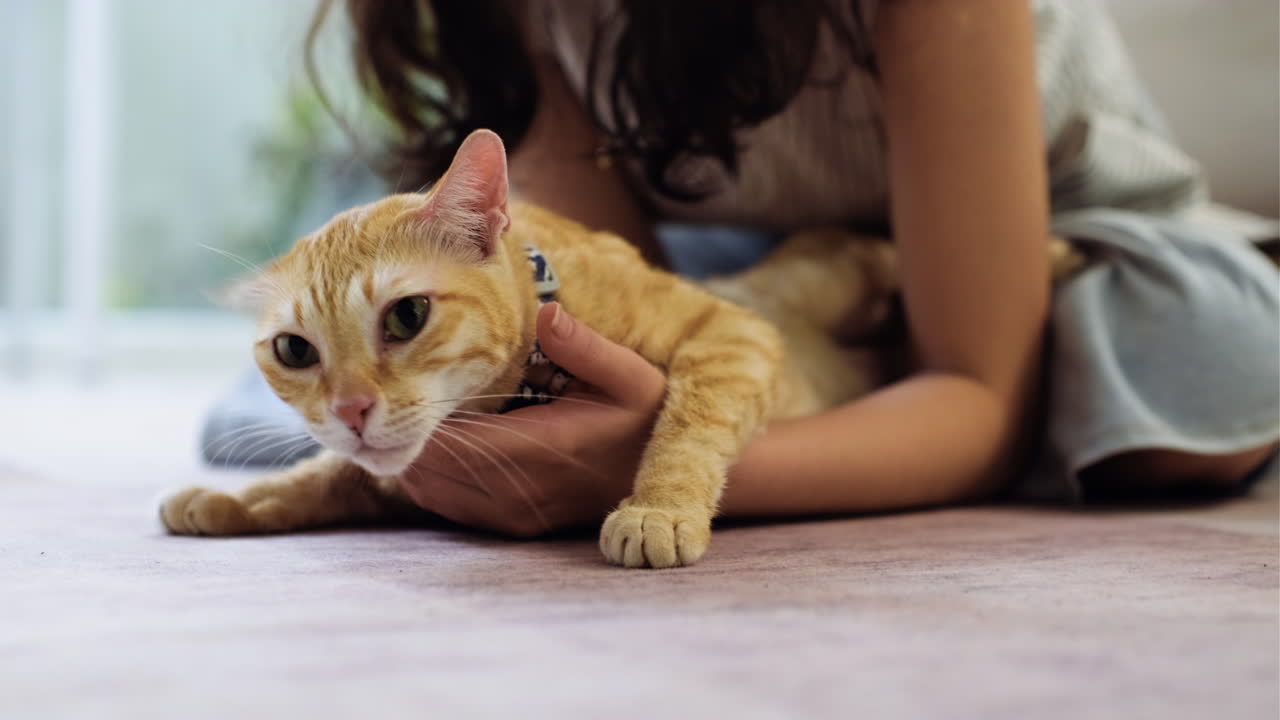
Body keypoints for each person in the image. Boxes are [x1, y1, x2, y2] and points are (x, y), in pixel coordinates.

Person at [206, 0, 1279, 538]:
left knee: (1207, 368)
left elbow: (975, 389)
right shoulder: (529, 14)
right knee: (296, 396)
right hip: (749, 256)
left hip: (1069, 244)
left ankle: (868, 342)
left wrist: (650, 466)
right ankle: (845, 344)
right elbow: (574, 310)